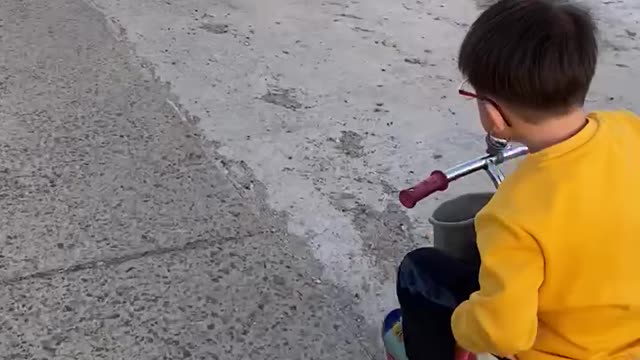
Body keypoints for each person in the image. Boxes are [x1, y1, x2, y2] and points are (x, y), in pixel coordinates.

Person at [396, 0, 640, 360]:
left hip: (564, 351)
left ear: (495, 116)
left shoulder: (513, 214)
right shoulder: (628, 128)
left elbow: (505, 333)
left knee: (420, 272)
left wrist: (462, 321)